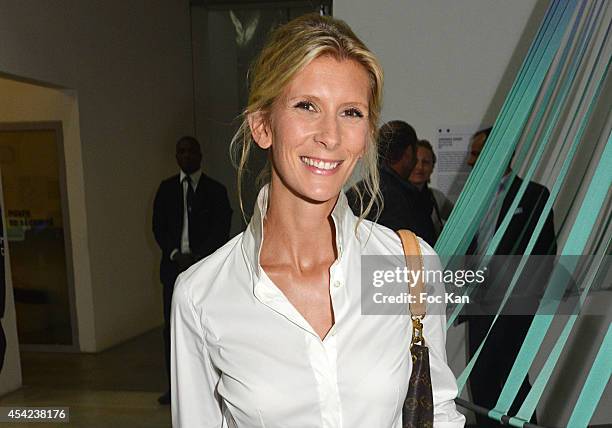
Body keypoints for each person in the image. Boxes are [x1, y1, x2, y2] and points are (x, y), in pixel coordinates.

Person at [170, 14, 465, 427]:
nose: (330, 136)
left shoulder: (407, 266)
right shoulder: (203, 295)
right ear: (262, 126)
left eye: (351, 113)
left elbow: (439, 414)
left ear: (367, 135)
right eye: (307, 106)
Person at [463, 127, 557, 426]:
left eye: (477, 154)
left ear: (500, 154)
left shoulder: (533, 195)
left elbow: (545, 252)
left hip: (514, 306)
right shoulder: (471, 198)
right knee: (480, 380)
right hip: (479, 303)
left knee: (513, 380)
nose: (470, 161)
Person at [152, 136, 232, 405]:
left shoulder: (215, 191)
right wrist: (175, 255)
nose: (185, 156)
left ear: (200, 154)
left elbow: (221, 229)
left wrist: (199, 258)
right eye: (180, 152)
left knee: (208, 326)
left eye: (190, 151)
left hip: (205, 269)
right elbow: (158, 227)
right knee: (171, 328)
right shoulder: (166, 189)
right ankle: (174, 387)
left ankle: (210, 383)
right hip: (173, 268)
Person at [347, 121, 438, 245]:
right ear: (408, 152)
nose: (417, 162)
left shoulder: (357, 191)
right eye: (415, 151)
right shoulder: (406, 198)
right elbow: (423, 247)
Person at [409, 139, 454, 242]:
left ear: (432, 167)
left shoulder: (437, 197)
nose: (420, 167)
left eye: (425, 162)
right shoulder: (394, 197)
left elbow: (460, 220)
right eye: (415, 161)